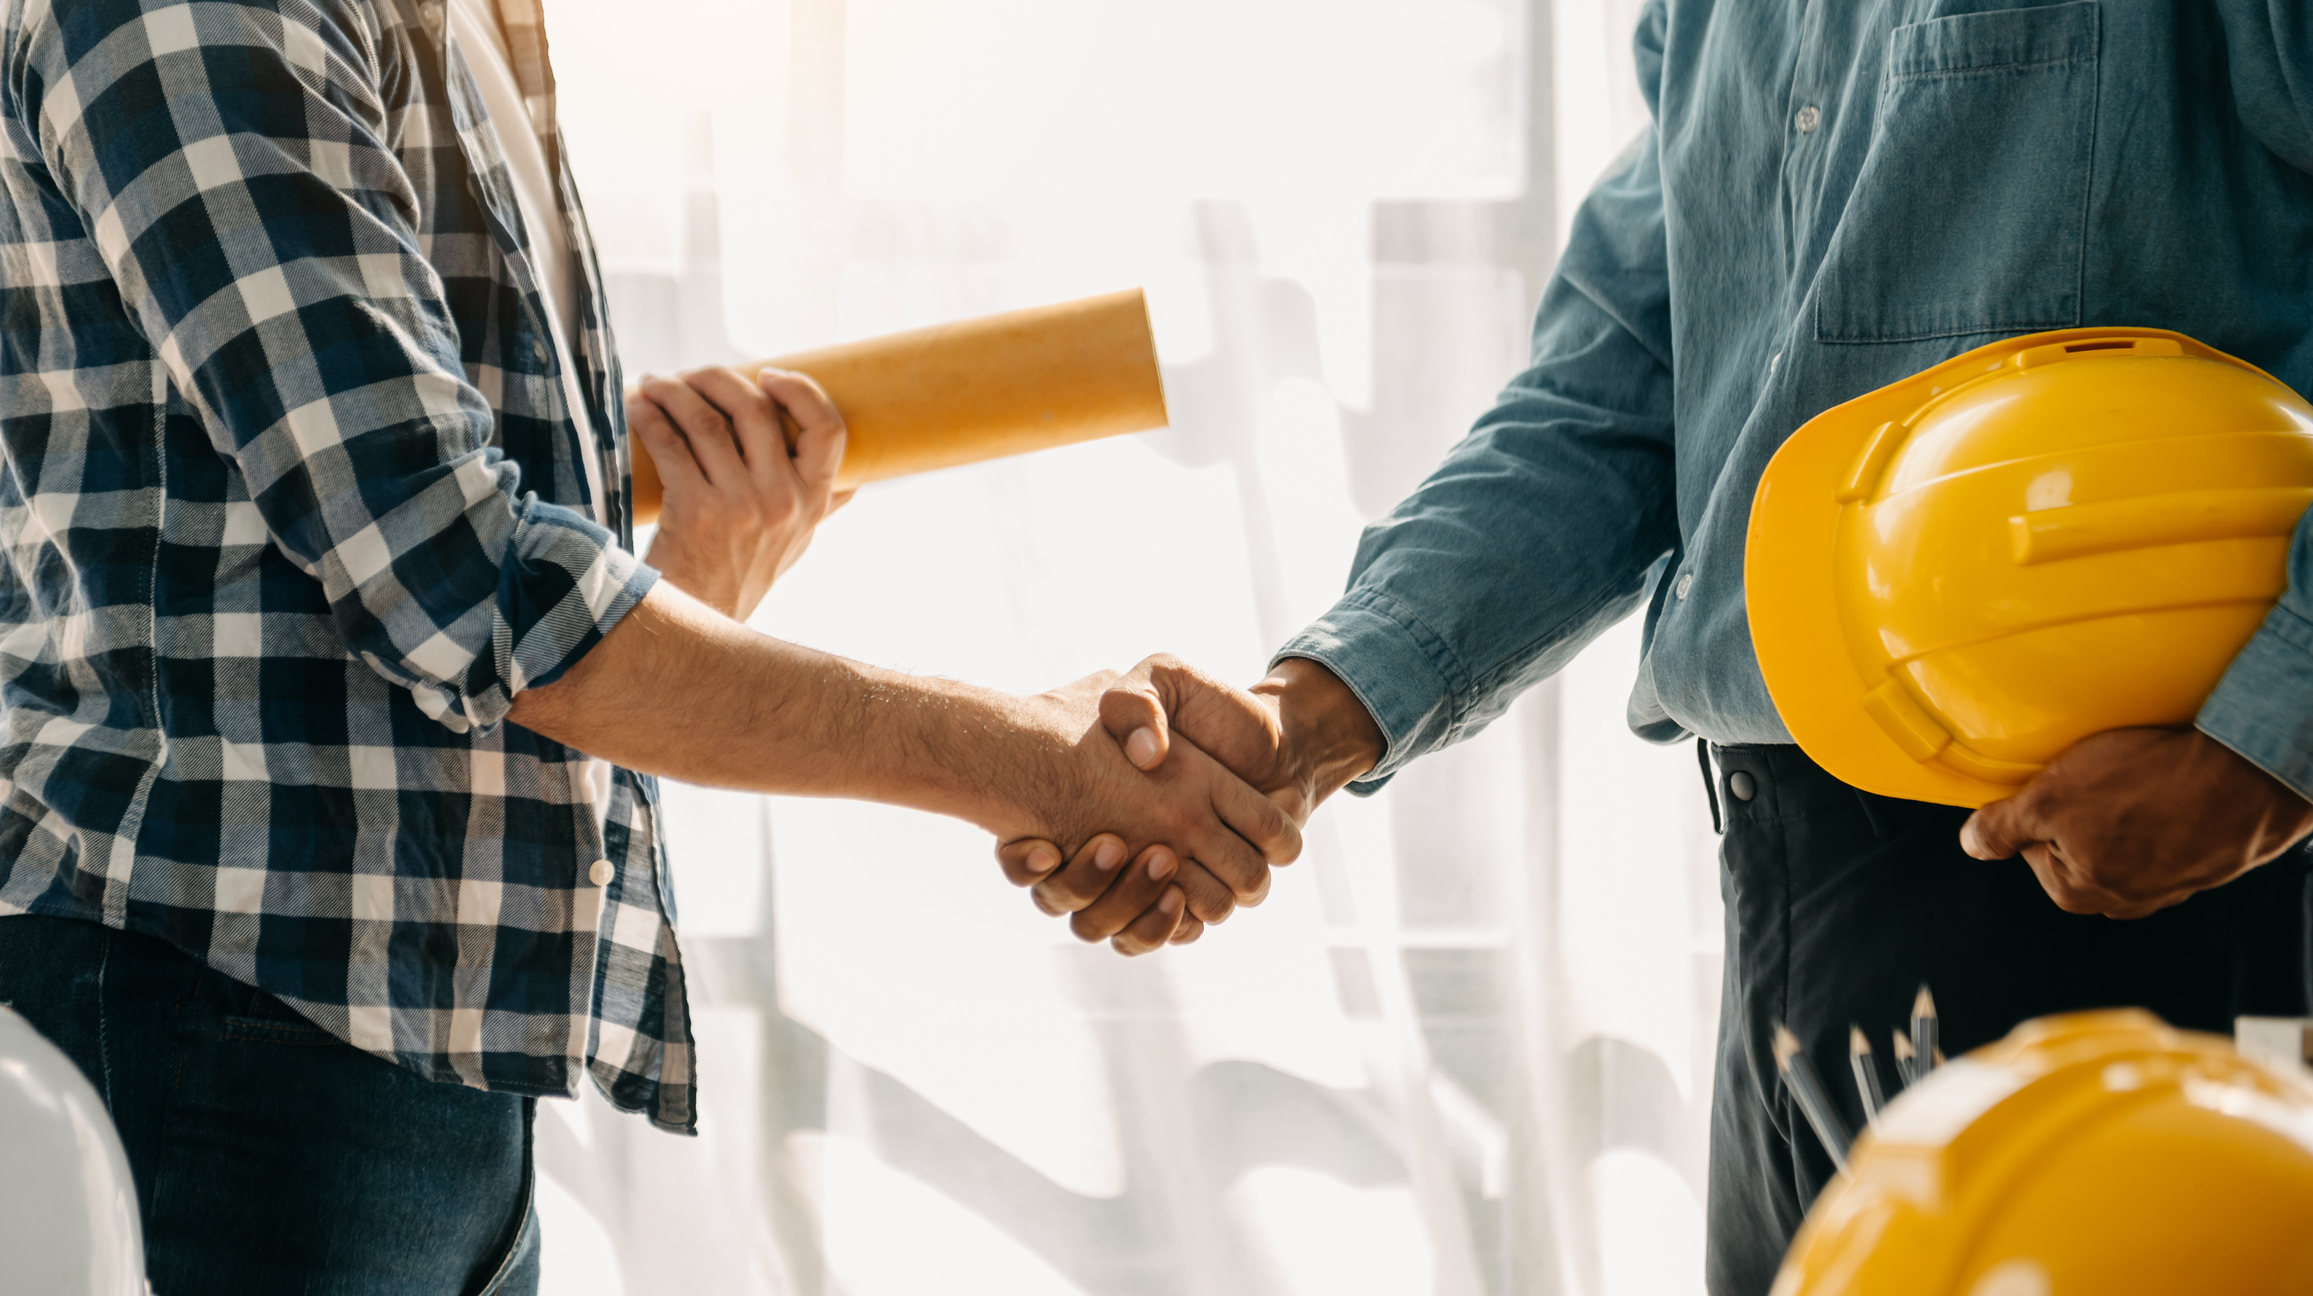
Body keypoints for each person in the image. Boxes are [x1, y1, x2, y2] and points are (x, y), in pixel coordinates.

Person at [1014, 2, 2313, 1292]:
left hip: (2138, 879)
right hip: (1795, 892)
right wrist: (1302, 722)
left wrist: (2263, 758)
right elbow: (1620, 386)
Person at [0, 0, 1288, 1289]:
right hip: (213, 1031)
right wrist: (1027, 758)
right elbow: (457, 575)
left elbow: (450, 648)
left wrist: (692, 578)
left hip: (426, 1080)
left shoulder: (476, 34)